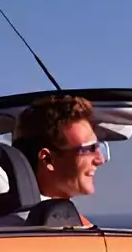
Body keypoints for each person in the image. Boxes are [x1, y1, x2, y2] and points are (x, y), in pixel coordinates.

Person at [12, 93, 102, 226]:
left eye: (98, 147)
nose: (100, 159)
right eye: (88, 149)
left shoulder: (68, 220)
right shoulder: (38, 227)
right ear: (48, 160)